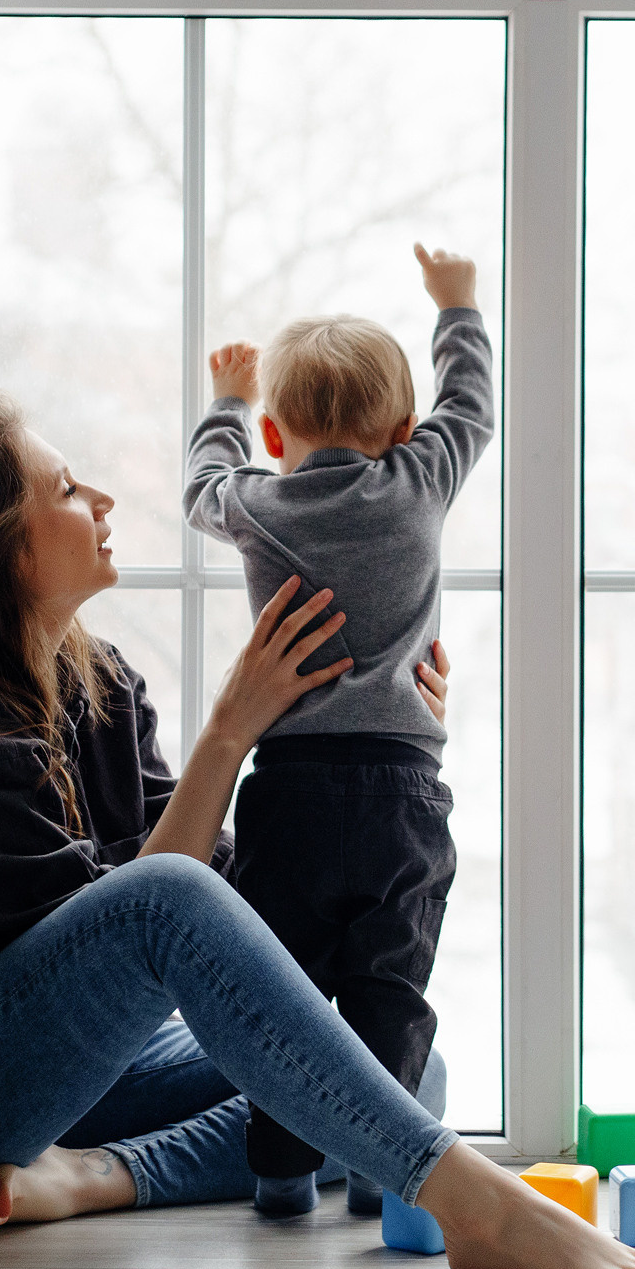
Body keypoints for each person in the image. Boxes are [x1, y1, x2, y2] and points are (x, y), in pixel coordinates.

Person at [0, 392, 635, 1269]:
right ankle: (473, 1202)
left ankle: (96, 1177)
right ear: (0, 547)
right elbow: (134, 925)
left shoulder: (99, 686)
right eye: (71, 489)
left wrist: (378, 739)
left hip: (59, 1099)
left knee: (405, 1064)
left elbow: (228, 905)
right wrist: (228, 733)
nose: (105, 504)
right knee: (177, 909)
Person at [182, 242, 493, 1218]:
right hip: (403, 787)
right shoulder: (419, 481)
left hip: (294, 786)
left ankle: (279, 1171)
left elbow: (202, 486)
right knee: (388, 985)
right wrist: (456, 306)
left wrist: (226, 403)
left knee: (288, 995)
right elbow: (470, 407)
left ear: (277, 432)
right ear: (401, 429)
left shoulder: (261, 502)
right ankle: (380, 1165)